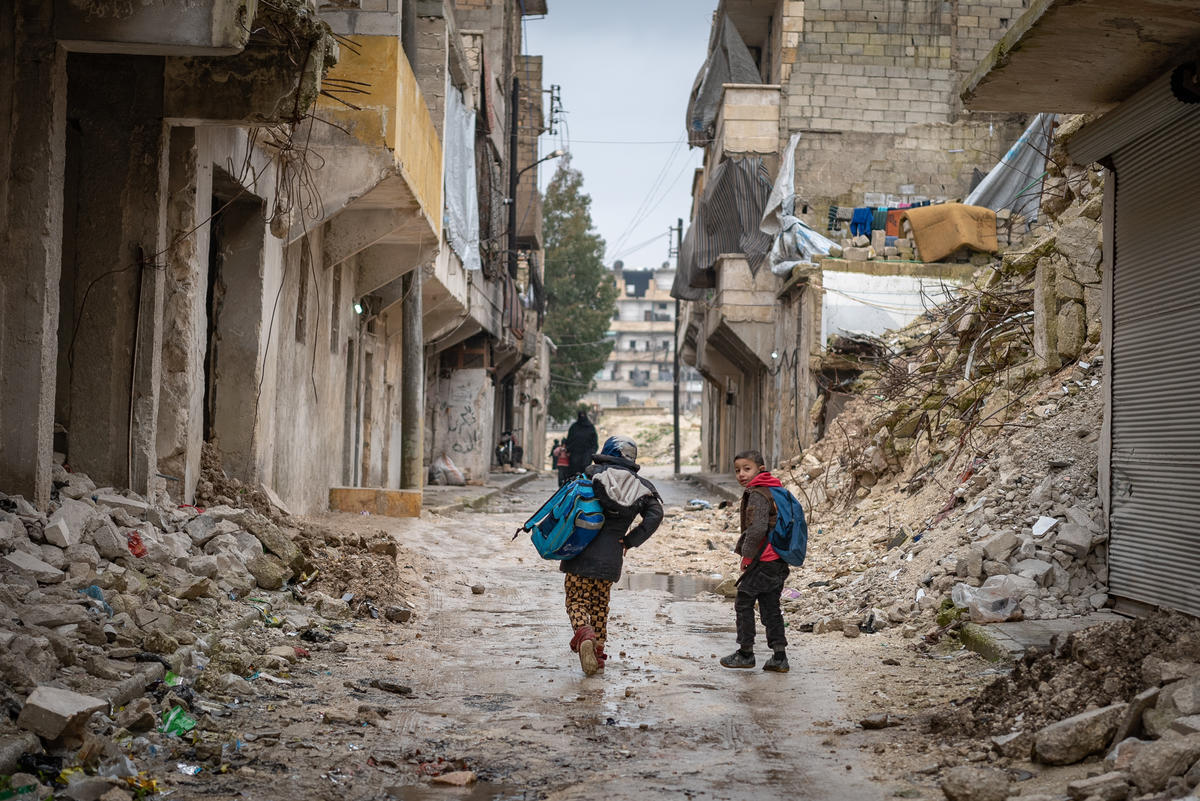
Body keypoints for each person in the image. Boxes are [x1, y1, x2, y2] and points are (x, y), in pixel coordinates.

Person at [561, 435, 663, 675]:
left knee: (576, 600)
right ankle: (597, 651)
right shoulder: (642, 487)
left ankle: (583, 633)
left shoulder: (591, 475)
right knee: (599, 604)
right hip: (611, 559)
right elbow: (656, 515)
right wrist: (630, 541)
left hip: (580, 553)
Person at [720, 449, 790, 673]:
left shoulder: (759, 493)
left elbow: (758, 528)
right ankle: (779, 657)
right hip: (779, 559)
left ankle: (745, 653)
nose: (741, 474)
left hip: (764, 559)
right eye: (738, 470)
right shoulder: (775, 489)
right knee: (771, 607)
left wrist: (747, 556)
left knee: (744, 600)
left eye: (746, 469)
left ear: (760, 469)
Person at [563, 409, 598, 479]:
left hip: (587, 454)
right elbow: (569, 439)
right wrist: (568, 449)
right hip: (575, 454)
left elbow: (594, 442)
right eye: (580, 415)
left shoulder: (590, 428)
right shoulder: (574, 427)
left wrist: (592, 452)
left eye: (583, 415)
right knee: (574, 472)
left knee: (585, 470)